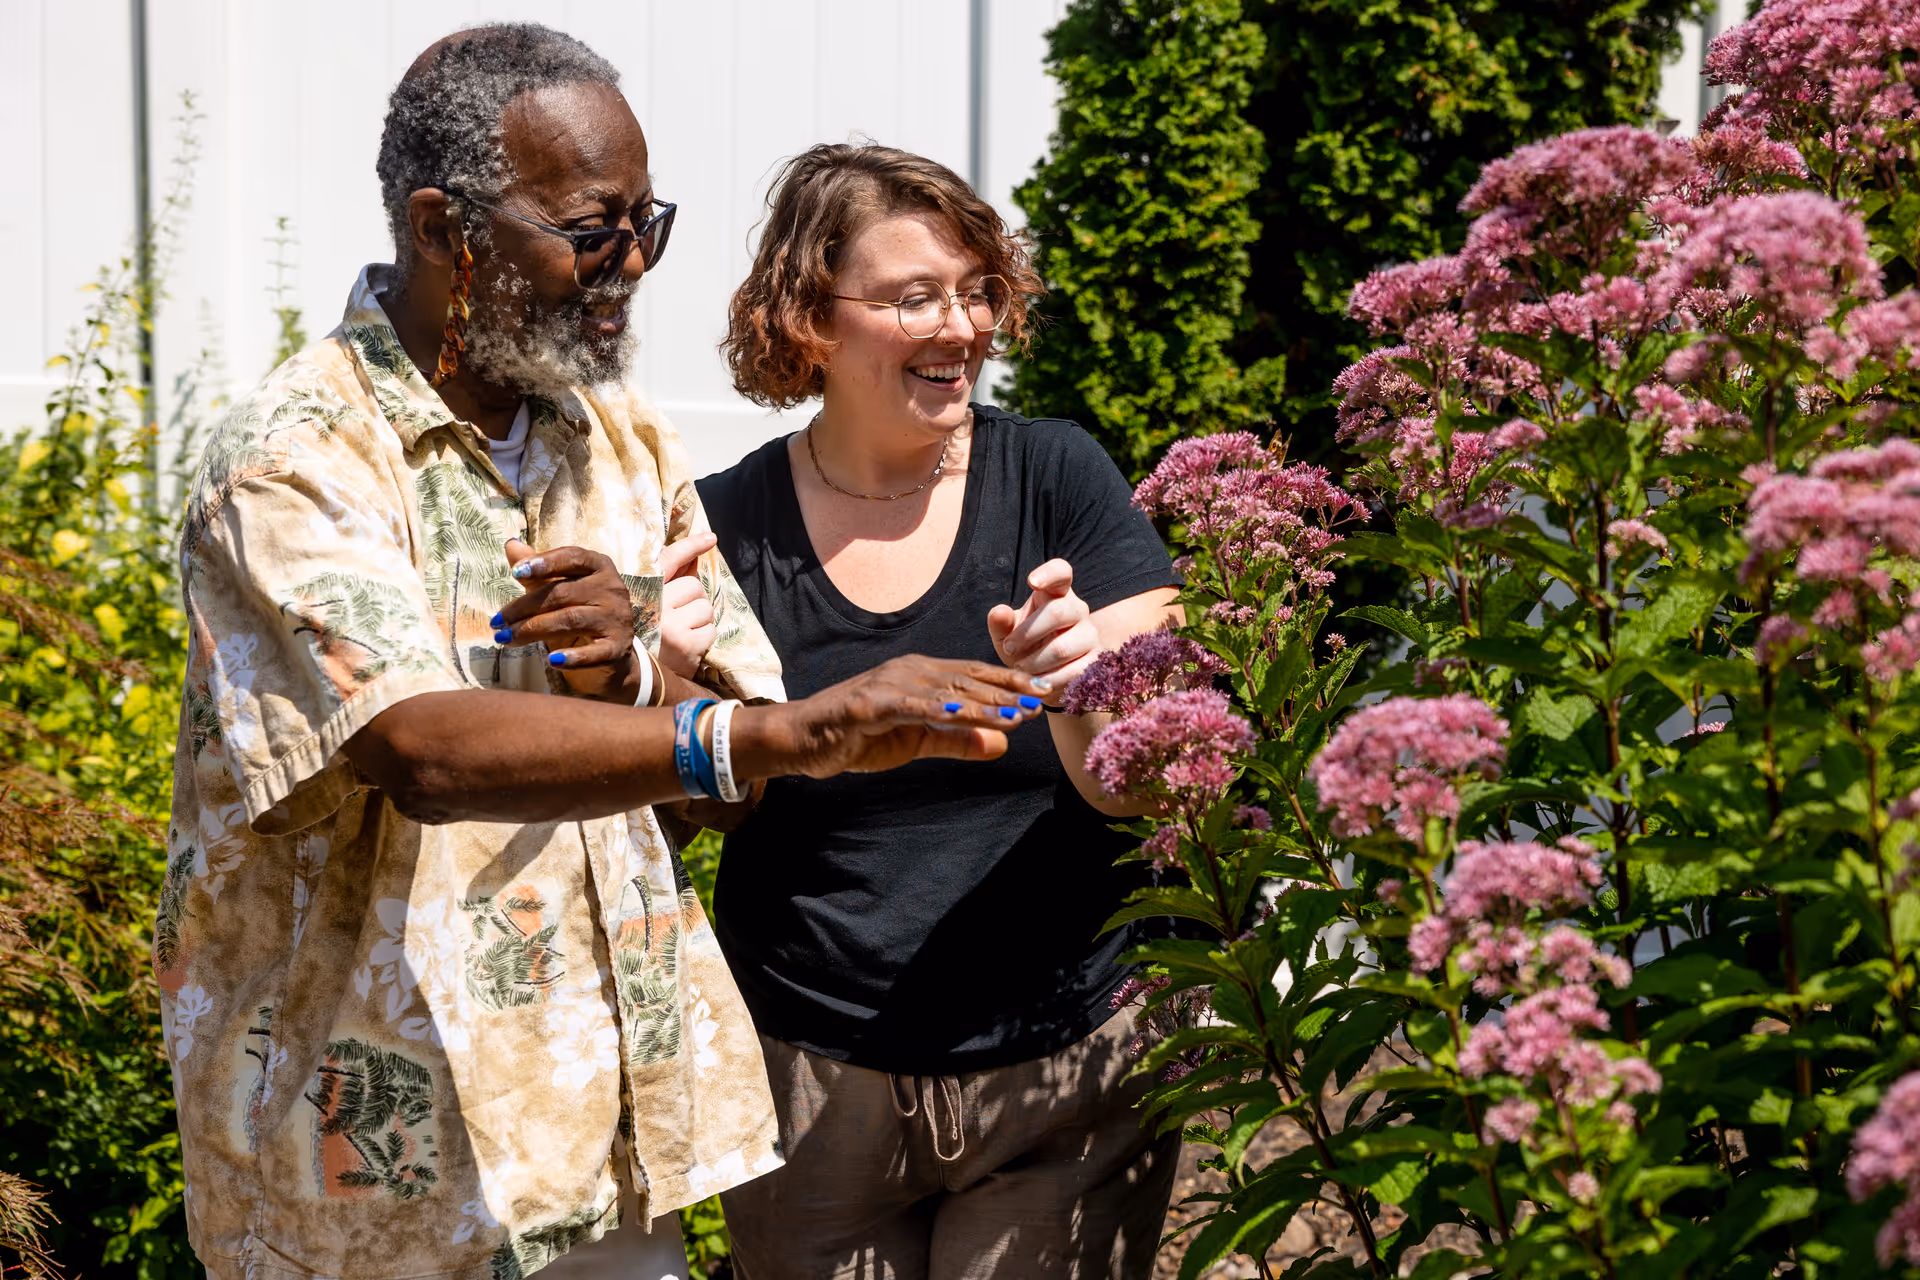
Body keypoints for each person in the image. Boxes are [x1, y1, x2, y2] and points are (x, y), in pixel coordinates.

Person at [158, 31, 1044, 1280]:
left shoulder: (620, 439)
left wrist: (639, 678)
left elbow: (726, 780)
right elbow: (421, 746)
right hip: (368, 1171)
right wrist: (778, 732)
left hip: (599, 1147)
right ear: (443, 227)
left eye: (647, 222)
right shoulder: (300, 458)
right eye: (590, 228)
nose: (629, 265)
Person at [697, 143, 1185, 1278]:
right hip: (812, 1079)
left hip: (1061, 1065)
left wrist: (1083, 691)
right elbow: (700, 802)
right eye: (915, 296)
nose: (961, 326)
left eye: (977, 290)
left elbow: (1147, 779)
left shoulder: (1059, 477)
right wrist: (663, 677)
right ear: (809, 315)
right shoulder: (726, 525)